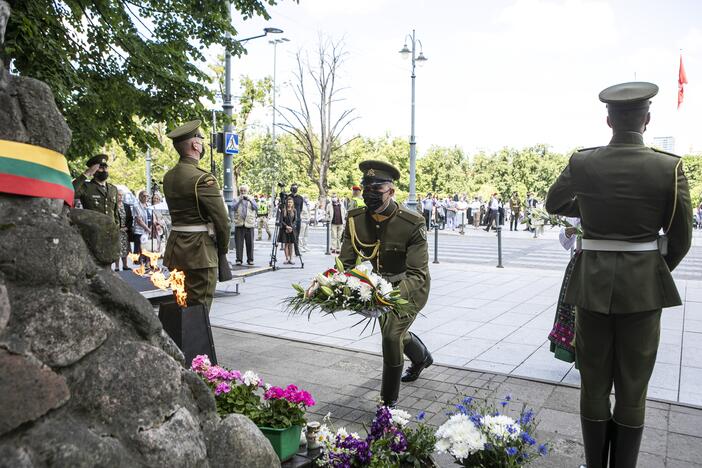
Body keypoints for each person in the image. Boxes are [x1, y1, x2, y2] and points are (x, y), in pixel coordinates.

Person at [546, 82, 692, 468]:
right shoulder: (668, 166)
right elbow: (680, 240)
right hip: (643, 291)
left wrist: (593, 204)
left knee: (593, 384)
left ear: (608, 120)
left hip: (591, 285)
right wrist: (650, 272)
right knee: (633, 389)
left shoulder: (584, 162)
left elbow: (554, 202)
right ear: (647, 119)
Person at [339, 160, 432, 407]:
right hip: (379, 287)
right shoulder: (355, 219)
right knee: (397, 335)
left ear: (391, 191)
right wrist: (331, 286)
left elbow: (418, 274)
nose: (369, 195)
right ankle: (422, 358)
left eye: (376, 190)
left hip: (410, 288)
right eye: (365, 188)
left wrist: (385, 297)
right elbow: (345, 264)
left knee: (391, 337)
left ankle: (387, 404)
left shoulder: (412, 223)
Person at [162, 120, 231, 312]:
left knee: (181, 305)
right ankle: (196, 342)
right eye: (200, 138)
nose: (202, 142)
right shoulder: (202, 178)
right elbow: (222, 222)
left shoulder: (169, 177)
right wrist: (222, 251)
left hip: (176, 249)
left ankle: (178, 342)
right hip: (200, 252)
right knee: (199, 310)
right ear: (195, 144)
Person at [72, 154, 119, 226]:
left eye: (106, 167)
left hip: (110, 231)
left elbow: (115, 214)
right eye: (101, 168)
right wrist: (86, 173)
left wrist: (116, 227)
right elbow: (70, 192)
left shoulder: (113, 189)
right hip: (93, 230)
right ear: (94, 170)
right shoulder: (86, 187)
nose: (104, 170)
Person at [232, 184, 257, 266]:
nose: (243, 192)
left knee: (250, 243)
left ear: (247, 191)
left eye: (244, 191)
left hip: (249, 224)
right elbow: (233, 208)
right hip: (239, 224)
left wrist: (249, 200)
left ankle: (250, 259)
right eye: (241, 191)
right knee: (239, 244)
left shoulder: (252, 198)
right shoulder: (236, 199)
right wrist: (240, 200)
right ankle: (239, 260)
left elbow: (256, 208)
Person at [131, 190, 151, 267]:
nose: (146, 198)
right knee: (140, 249)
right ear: (139, 197)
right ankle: (140, 266)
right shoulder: (136, 206)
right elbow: (139, 220)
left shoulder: (149, 205)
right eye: (144, 196)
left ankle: (148, 264)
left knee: (147, 248)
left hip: (148, 231)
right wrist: (147, 229)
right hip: (140, 231)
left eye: (147, 196)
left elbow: (152, 217)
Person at [113, 191, 131, 271]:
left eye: (121, 195)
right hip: (117, 230)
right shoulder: (113, 206)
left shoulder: (126, 206)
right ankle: (117, 266)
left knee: (125, 248)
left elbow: (130, 218)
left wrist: (127, 227)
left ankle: (125, 265)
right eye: (119, 195)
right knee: (117, 248)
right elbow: (112, 218)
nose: (120, 196)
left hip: (125, 230)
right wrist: (118, 228)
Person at [278, 197, 298, 264]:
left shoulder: (294, 210)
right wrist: (286, 226)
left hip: (292, 229)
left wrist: (291, 227)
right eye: (288, 202)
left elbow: (295, 220)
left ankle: (291, 258)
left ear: (293, 203)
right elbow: (281, 220)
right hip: (285, 229)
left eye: (291, 202)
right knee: (286, 244)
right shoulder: (284, 210)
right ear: (286, 203)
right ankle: (287, 258)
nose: (289, 204)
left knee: (291, 244)